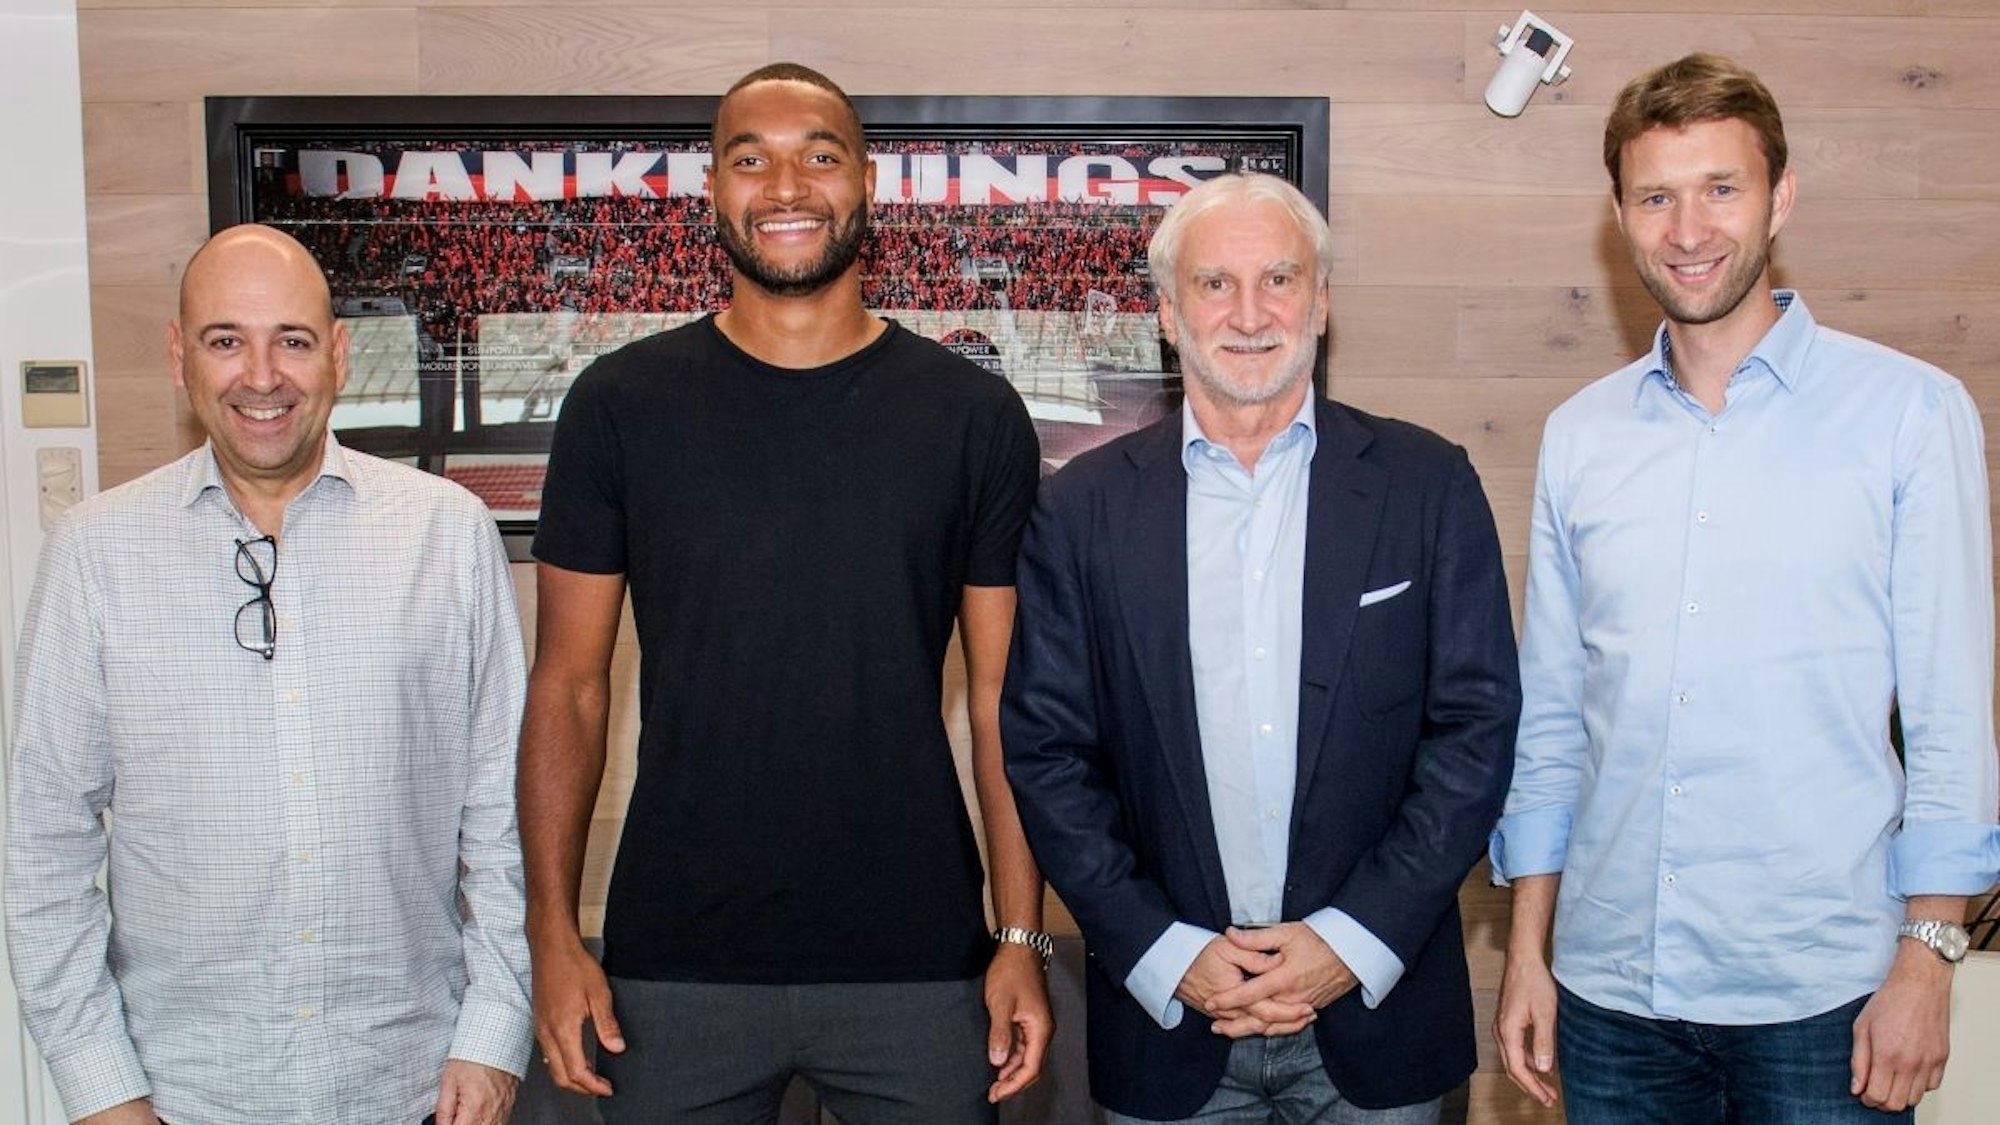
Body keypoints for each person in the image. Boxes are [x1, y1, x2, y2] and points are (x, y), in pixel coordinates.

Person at [519, 62, 1051, 1124]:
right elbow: (568, 688)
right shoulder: (617, 406)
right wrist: (550, 937)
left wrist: (1018, 937)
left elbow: (1005, 700)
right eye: (748, 158)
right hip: (675, 964)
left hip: (919, 961)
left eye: (819, 154)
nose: (786, 184)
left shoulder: (971, 417)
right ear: (710, 192)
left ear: (867, 184)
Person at [1490, 52, 2000, 1123]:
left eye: (1720, 188)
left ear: (1780, 196)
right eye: (1655, 196)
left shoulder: (1908, 415)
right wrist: (1527, 951)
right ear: (1619, 214)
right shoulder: (1580, 436)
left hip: (1826, 997)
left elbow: (1950, 718)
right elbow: (1550, 722)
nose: (1687, 229)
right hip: (1608, 991)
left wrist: (1928, 956)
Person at [1002, 172, 1521, 1123]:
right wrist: (1166, 951)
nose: (1250, 313)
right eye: (1215, 284)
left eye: (1280, 279)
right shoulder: (1080, 509)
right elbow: (1047, 754)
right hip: (1168, 1028)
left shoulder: (1427, 483)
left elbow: (1476, 733)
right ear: (1166, 311)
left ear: (1322, 301)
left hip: (1376, 1016)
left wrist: (1351, 940)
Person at [3, 224, 532, 1125]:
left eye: (290, 339)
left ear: (336, 354)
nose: (260, 375)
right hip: (184, 1095)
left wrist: (493, 1032)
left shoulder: (446, 533)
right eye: (225, 340)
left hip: (413, 1088)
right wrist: (103, 1088)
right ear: (179, 355)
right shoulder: (95, 552)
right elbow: (44, 847)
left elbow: (503, 812)